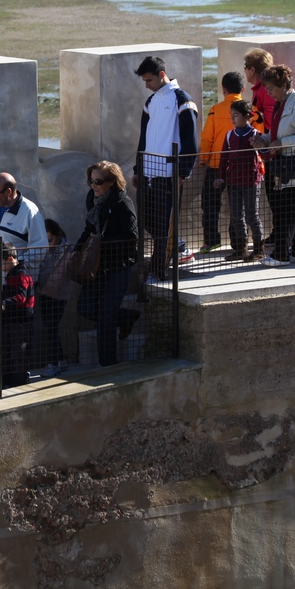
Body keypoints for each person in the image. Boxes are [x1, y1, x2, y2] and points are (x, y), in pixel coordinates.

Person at [0, 172, 47, 383]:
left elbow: (39, 248)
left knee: (15, 335)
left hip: (16, 285)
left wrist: (17, 267)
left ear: (9, 192)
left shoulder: (30, 212)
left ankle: (14, 376)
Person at [134, 56, 199, 280]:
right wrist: (137, 169)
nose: (146, 85)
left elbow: (191, 142)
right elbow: (143, 138)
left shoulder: (182, 100)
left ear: (162, 75)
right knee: (147, 220)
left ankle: (158, 271)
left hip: (170, 175)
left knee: (164, 226)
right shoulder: (150, 102)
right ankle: (180, 249)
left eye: (149, 80)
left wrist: (183, 172)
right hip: (148, 173)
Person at [76, 161, 139, 367]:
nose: (93, 185)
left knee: (106, 315)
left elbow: (131, 236)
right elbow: (89, 227)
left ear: (112, 182)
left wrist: (102, 242)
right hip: (97, 265)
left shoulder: (123, 203)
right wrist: (77, 250)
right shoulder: (92, 199)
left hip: (118, 265)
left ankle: (108, 364)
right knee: (84, 308)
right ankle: (126, 317)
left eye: (98, 181)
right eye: (91, 181)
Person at [257, 65, 295, 266]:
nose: (268, 93)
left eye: (271, 89)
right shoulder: (282, 105)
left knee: (288, 211)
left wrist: (281, 144)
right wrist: (264, 140)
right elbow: (279, 134)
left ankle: (280, 255)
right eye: (266, 89)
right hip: (291, 166)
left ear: (284, 86)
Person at [197, 72, 245, 253]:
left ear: (223, 89)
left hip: (217, 165)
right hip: (241, 166)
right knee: (238, 206)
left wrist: (204, 158)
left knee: (210, 204)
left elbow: (207, 137)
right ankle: (238, 242)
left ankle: (211, 240)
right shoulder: (251, 111)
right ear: (243, 89)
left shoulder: (215, 110)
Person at [215, 100, 265, 261]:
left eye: (235, 115)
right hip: (234, 181)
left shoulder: (256, 135)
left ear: (247, 116)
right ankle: (241, 249)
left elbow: (265, 153)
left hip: (251, 181)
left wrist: (260, 146)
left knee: (252, 215)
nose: (232, 118)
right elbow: (224, 158)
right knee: (236, 215)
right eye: (231, 115)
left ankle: (259, 249)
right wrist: (220, 177)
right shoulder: (230, 135)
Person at [0, 241, 36, 387]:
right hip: (13, 319)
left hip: (21, 320)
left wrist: (4, 304)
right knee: (8, 351)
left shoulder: (21, 274)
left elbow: (21, 297)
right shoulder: (12, 274)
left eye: (0, 265)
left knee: (18, 353)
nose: (0, 269)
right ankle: (8, 381)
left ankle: (18, 382)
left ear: (10, 259)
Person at [244, 47, 280, 244]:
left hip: (272, 150)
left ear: (252, 70)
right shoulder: (262, 89)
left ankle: (282, 235)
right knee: (273, 195)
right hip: (268, 150)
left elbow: (271, 119)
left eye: (246, 67)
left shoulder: (265, 90)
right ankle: (279, 233)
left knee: (277, 196)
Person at [34, 219, 75, 378]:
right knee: (50, 328)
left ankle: (54, 363)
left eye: (50, 240)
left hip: (59, 295)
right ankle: (60, 360)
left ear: (58, 235)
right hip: (43, 292)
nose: (48, 245)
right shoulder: (43, 249)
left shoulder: (68, 251)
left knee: (51, 327)